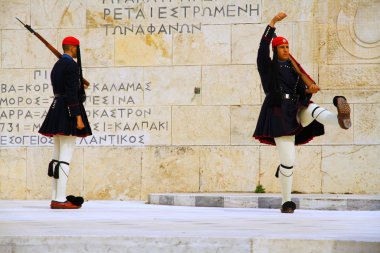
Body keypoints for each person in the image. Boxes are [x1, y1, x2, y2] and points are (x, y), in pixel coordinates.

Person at [253, 12, 351, 213]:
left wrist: (308, 90)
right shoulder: (267, 67)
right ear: (275, 49)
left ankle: (340, 119)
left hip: (296, 108)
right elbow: (262, 49)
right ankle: (286, 202)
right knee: (288, 162)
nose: (286, 50)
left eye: (287, 47)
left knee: (315, 109)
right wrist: (272, 24)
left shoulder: (292, 68)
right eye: (282, 47)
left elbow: (299, 90)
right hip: (278, 114)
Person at [39, 36, 92, 209]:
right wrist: (77, 117)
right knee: (65, 157)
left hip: (56, 108)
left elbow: (62, 88)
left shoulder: (58, 65)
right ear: (72, 48)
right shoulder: (71, 65)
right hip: (68, 111)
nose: (78, 52)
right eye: (76, 49)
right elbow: (70, 94)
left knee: (57, 155)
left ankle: (55, 196)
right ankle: (60, 199)